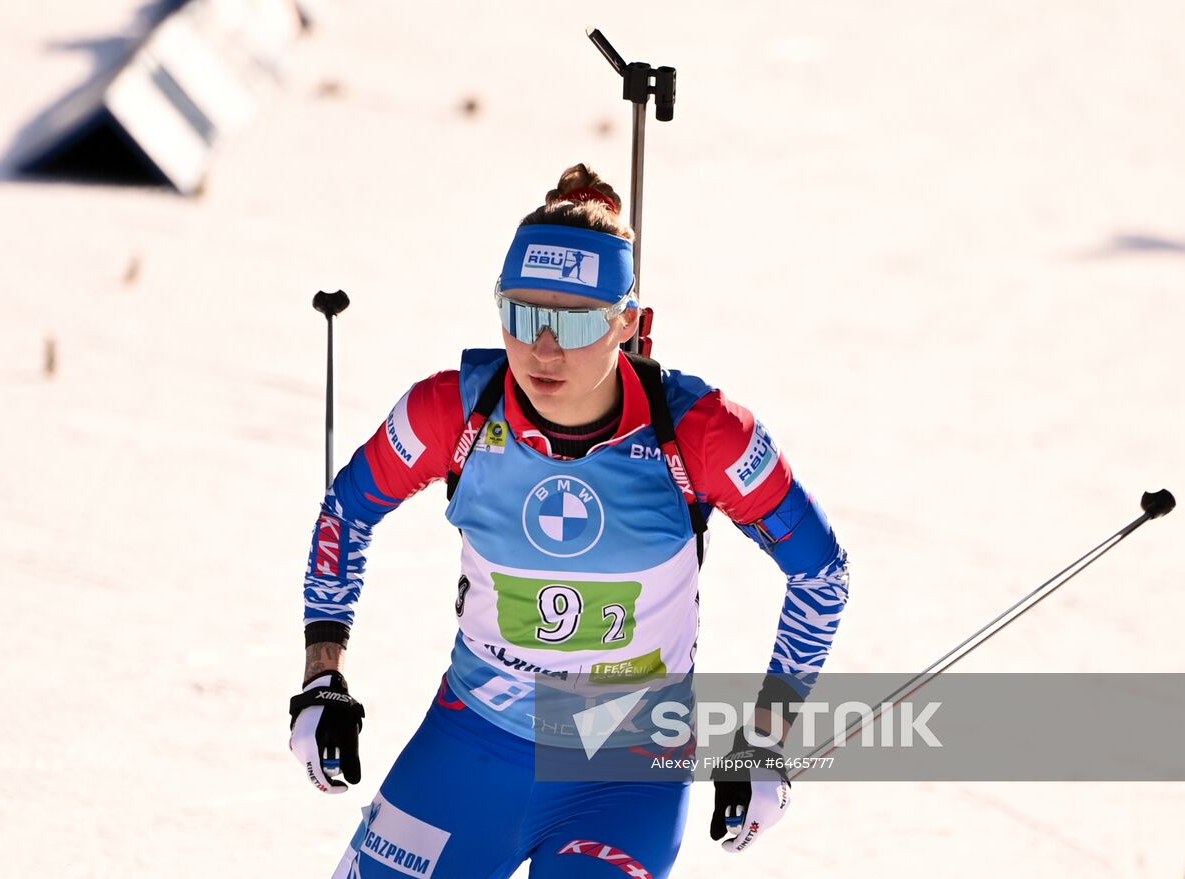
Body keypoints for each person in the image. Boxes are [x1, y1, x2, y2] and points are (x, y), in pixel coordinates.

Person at [289, 163, 850, 878]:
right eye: (523, 315)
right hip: (473, 745)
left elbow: (820, 572)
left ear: (629, 323)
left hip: (628, 768)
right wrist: (322, 677)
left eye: (577, 321)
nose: (543, 348)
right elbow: (347, 511)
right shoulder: (452, 411)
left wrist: (769, 737)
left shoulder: (702, 434)